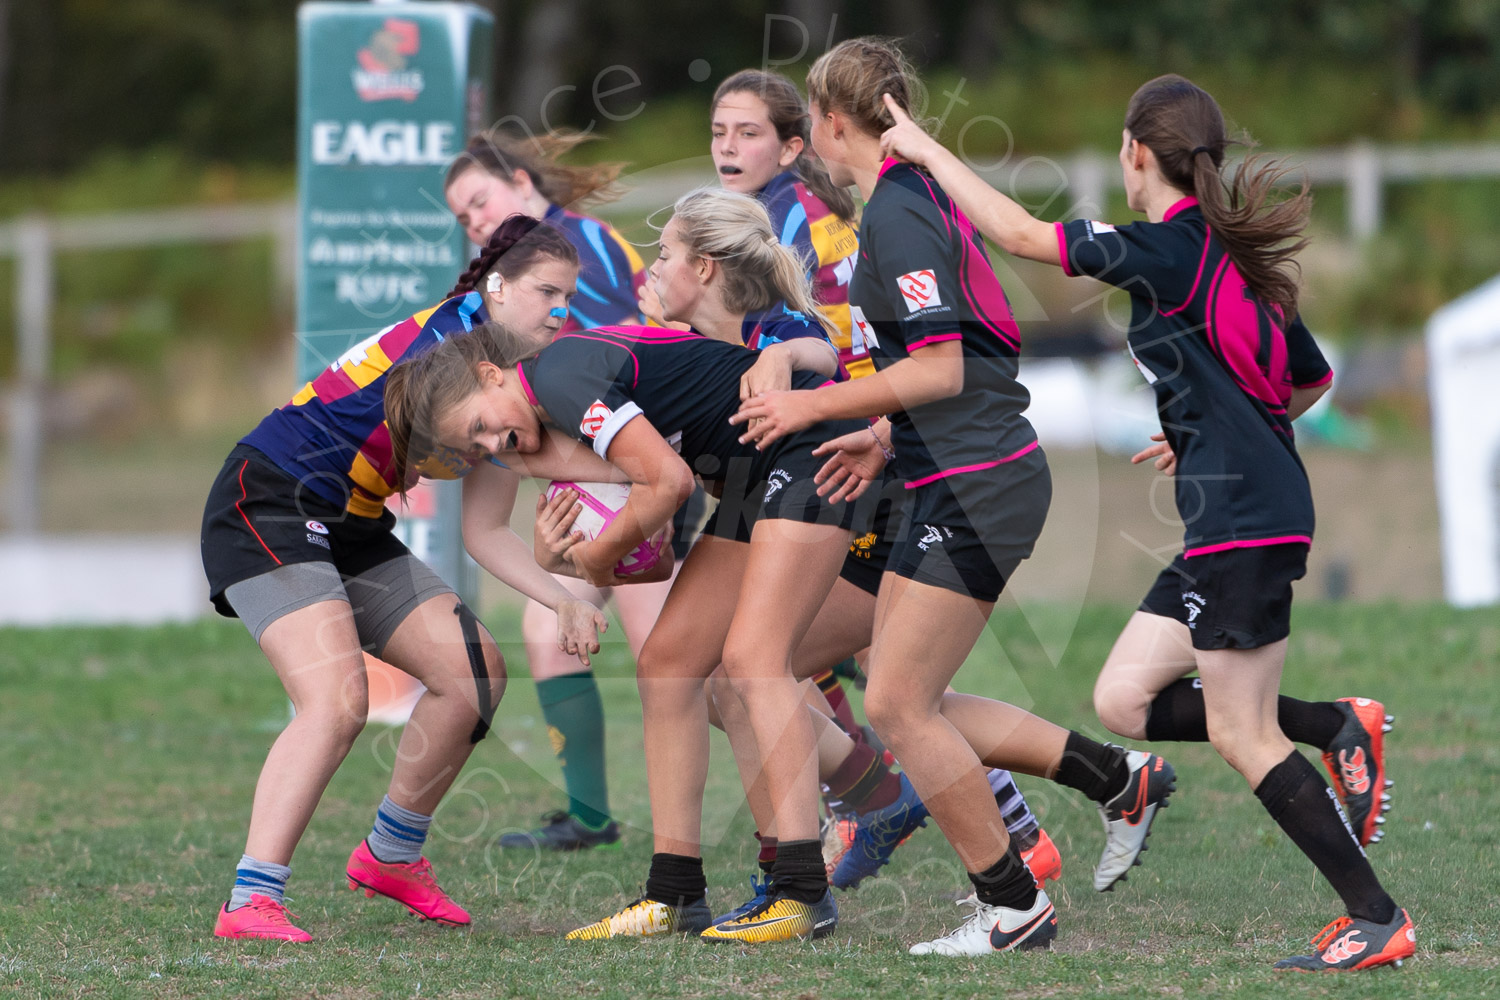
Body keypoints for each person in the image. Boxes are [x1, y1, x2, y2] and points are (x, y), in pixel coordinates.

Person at [878, 71, 1412, 971]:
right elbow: (1307, 380)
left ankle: (1375, 916)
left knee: (1244, 734)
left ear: (1136, 154)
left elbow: (1015, 234)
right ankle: (1335, 724)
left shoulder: (1167, 249)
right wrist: (1203, 427)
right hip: (1237, 508)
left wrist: (929, 152)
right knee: (1125, 698)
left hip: (1242, 516)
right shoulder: (1226, 258)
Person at [734, 38, 1177, 957]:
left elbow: (941, 367)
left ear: (828, 121)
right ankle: (1108, 783)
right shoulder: (910, 199)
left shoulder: (899, 211)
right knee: (902, 687)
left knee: (897, 704)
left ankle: (1013, 906)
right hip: (946, 474)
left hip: (978, 484)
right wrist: (880, 429)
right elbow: (960, 356)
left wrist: (813, 403)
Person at [386, 204, 869, 944]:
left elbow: (668, 486)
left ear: (491, 372)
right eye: (475, 447)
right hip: (756, 482)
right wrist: (563, 566)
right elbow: (661, 556)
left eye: (481, 423)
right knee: (670, 663)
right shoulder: (543, 417)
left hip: (810, 455)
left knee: (751, 662)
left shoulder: (561, 373)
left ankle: (803, 890)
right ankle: (675, 893)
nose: (493, 442)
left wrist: (593, 560)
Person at [199, 216, 613, 942]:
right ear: (496, 286)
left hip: (349, 520)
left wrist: (561, 598)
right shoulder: (451, 361)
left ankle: (391, 854)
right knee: (337, 700)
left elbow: (483, 529)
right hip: (270, 498)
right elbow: (492, 452)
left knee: (475, 674)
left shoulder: (499, 377)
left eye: (568, 297)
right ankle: (250, 900)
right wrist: (648, 468)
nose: (560, 311)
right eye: (546, 292)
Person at [445, 128, 691, 851]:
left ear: (522, 184)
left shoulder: (577, 245)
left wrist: (636, 476)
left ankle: (857, 787)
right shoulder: (506, 279)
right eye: (461, 216)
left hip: (645, 462)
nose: (474, 222)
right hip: (595, 476)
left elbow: (625, 349)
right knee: (550, 625)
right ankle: (588, 818)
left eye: (479, 201)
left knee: (684, 665)